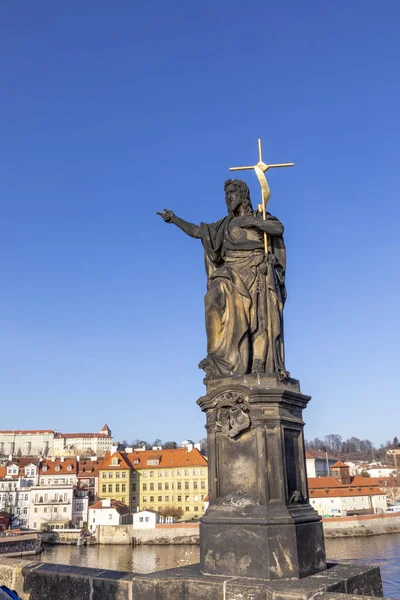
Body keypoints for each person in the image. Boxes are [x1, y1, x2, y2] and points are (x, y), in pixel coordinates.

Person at [157, 179, 288, 380]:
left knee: (257, 319)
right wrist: (175, 219)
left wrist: (254, 222)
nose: (228, 198)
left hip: (256, 271)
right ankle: (218, 356)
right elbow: (197, 232)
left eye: (231, 194)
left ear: (242, 195)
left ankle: (259, 362)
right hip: (230, 273)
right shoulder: (224, 225)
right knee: (213, 298)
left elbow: (278, 229)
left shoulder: (259, 216)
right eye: (226, 195)